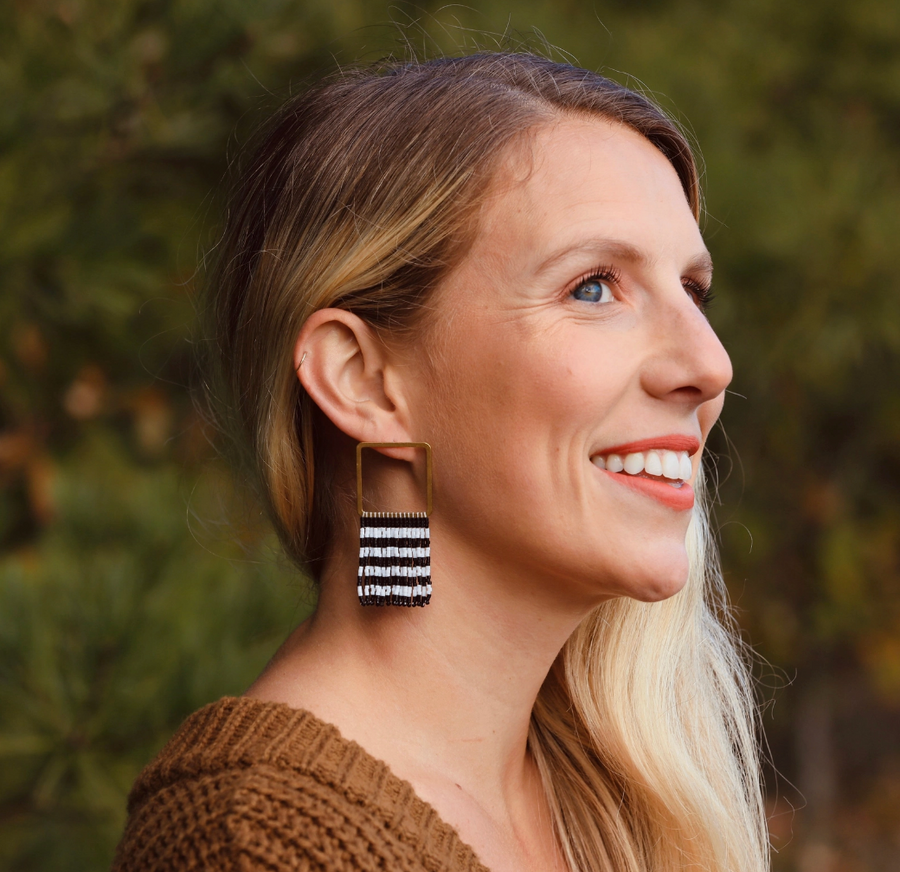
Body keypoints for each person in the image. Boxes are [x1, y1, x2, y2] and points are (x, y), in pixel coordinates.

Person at [113, 52, 769, 872]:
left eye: (692, 291)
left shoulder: (605, 810)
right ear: (362, 381)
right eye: (594, 287)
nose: (710, 365)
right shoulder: (257, 846)